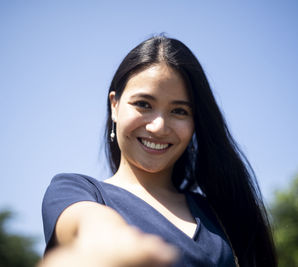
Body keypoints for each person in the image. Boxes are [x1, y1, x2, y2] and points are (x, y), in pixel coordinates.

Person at [40, 35, 277, 267]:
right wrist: (122, 246)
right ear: (115, 105)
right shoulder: (74, 191)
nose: (159, 127)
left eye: (179, 111)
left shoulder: (221, 213)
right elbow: (89, 227)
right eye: (143, 104)